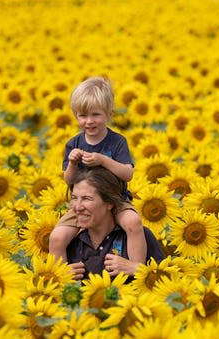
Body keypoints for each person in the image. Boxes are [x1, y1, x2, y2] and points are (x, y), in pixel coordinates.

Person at [49, 76, 147, 265]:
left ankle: (136, 267)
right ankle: (60, 276)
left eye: (95, 115)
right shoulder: (74, 143)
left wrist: (103, 160)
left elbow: (128, 174)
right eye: (82, 116)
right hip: (83, 206)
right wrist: (72, 164)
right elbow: (68, 180)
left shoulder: (117, 142)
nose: (89, 121)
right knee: (56, 238)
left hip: (116, 200)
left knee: (133, 223)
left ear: (109, 114)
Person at [66, 167, 164, 280]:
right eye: (74, 198)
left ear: (110, 203)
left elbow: (167, 282)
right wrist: (63, 279)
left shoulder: (140, 236)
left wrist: (138, 269)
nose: (77, 207)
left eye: (87, 199)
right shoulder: (70, 244)